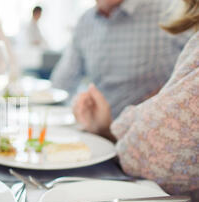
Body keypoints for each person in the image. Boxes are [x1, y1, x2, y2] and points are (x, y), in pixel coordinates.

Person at [73, 0, 199, 202]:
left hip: (138, 163)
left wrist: (160, 103)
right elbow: (63, 81)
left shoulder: (165, 10)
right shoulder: (85, 21)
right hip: (108, 141)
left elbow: (154, 148)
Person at [50, 0, 190, 118]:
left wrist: (170, 94)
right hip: (96, 134)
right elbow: (61, 84)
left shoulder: (170, 11)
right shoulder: (85, 21)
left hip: (151, 132)